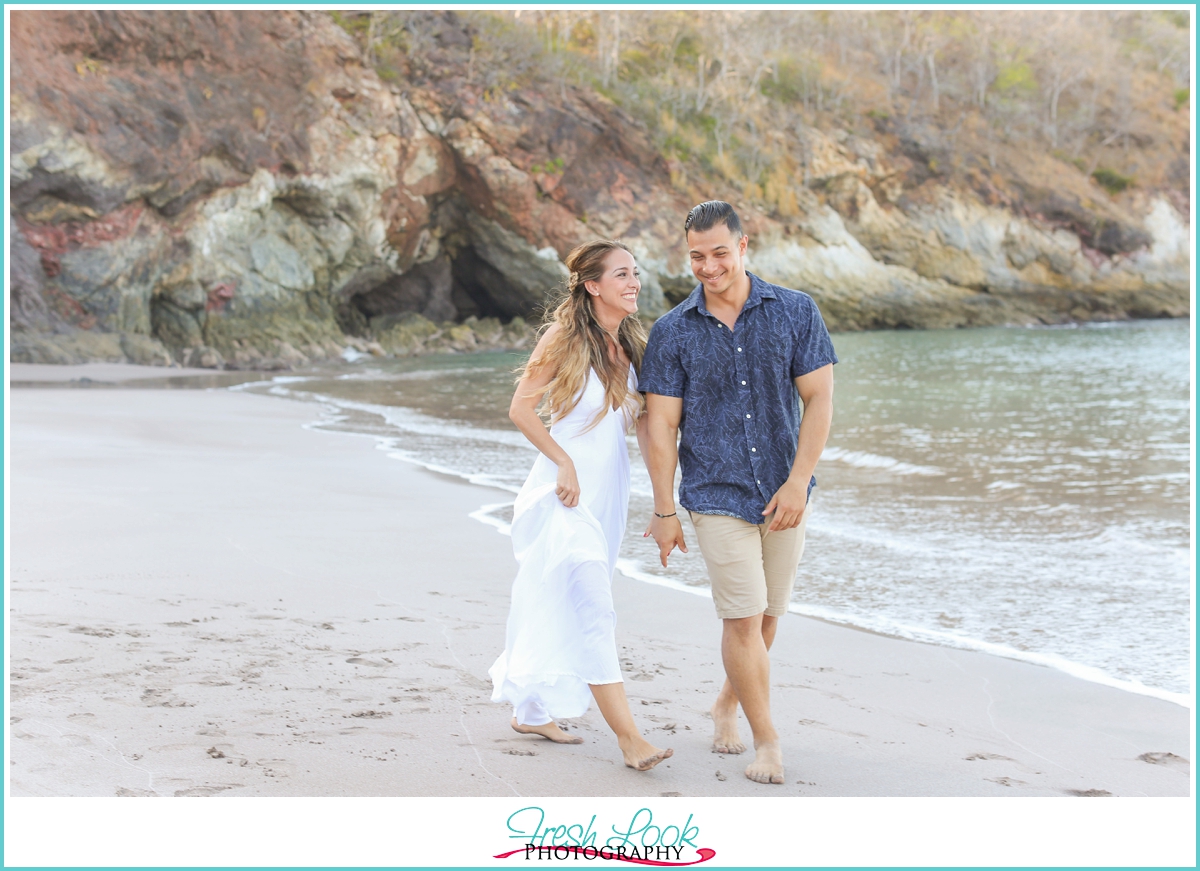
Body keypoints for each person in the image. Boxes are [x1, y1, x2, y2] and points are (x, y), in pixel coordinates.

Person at [640, 201, 836, 785]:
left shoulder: (796, 311)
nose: (708, 266)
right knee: (743, 621)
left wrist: (798, 481)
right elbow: (661, 427)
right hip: (714, 492)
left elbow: (819, 400)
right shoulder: (672, 332)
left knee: (769, 617)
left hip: (784, 491)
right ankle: (768, 741)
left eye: (719, 253)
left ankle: (726, 701)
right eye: (697, 256)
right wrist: (664, 510)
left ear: (744, 247)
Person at [489, 239, 673, 772]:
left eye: (635, 273)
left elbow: (645, 431)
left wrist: (665, 508)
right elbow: (521, 409)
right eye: (621, 274)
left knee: (559, 601)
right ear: (593, 285)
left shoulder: (633, 344)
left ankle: (531, 708)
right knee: (595, 609)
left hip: (608, 496)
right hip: (562, 495)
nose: (633, 282)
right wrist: (561, 461)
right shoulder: (563, 337)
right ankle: (631, 740)